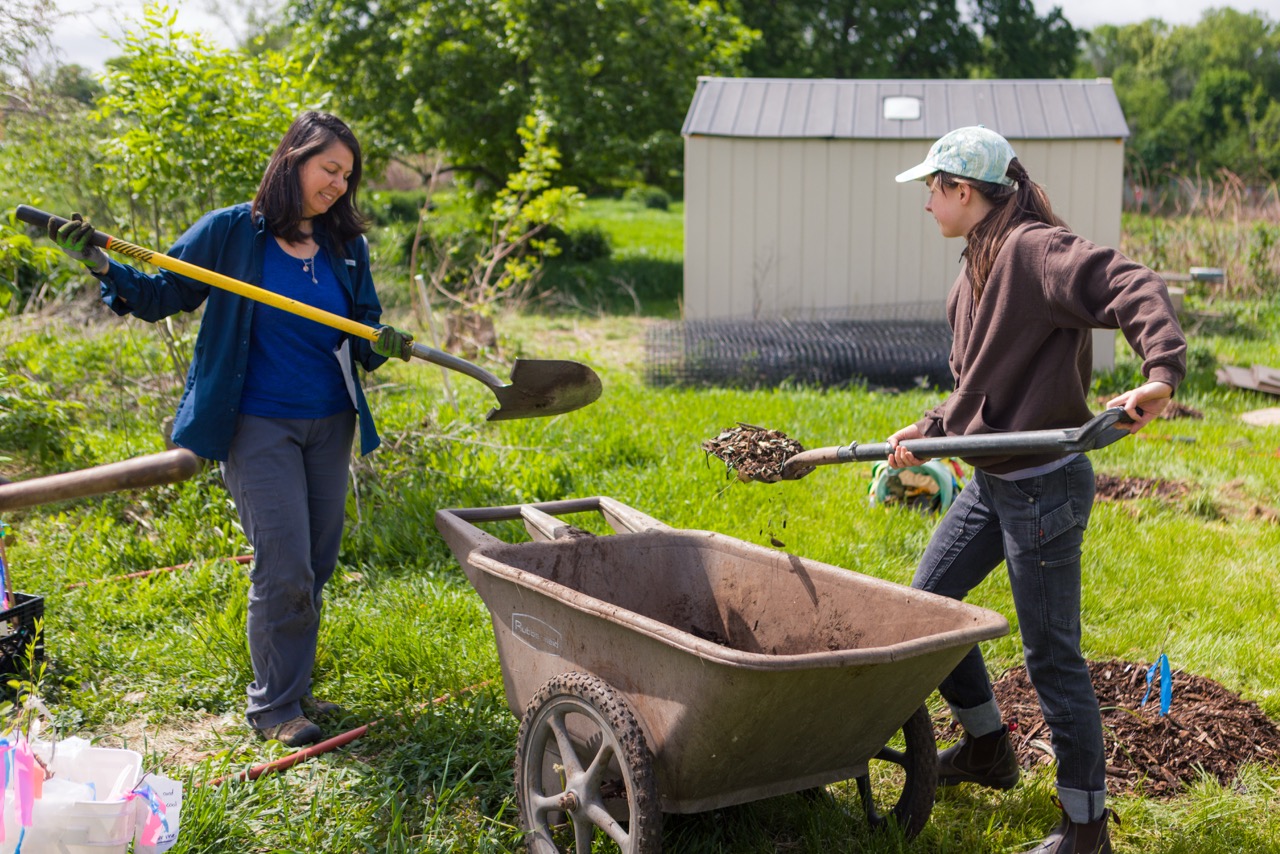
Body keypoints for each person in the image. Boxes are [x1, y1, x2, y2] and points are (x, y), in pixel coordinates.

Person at [50, 111, 415, 748]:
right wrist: (103, 264)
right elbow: (161, 294)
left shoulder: (344, 246)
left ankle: (293, 688)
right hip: (257, 424)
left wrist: (385, 342)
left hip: (331, 423)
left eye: (347, 176)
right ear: (295, 158)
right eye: (329, 168)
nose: (337, 185)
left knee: (315, 564)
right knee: (282, 566)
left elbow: (364, 330)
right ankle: (274, 710)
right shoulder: (230, 232)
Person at [888, 126, 1186, 854]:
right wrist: (927, 431)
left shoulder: (1032, 250)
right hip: (995, 482)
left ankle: (1086, 829)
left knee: (1052, 656)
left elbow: (1130, 282)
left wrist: (1160, 374)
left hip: (1044, 488)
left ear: (964, 190)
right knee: (930, 612)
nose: (926, 201)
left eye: (933, 187)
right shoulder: (972, 273)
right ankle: (989, 746)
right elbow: (978, 391)